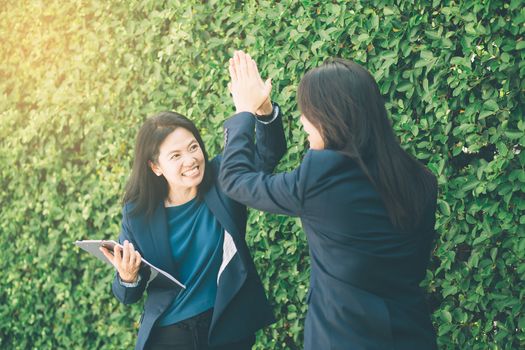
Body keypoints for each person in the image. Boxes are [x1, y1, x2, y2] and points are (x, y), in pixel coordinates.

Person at [219, 50, 438, 349]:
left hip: (344, 338)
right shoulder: (421, 178)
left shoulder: (320, 178)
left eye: (306, 111)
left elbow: (235, 180)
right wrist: (265, 111)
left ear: (330, 116)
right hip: (412, 335)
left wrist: (244, 110)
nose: (302, 121)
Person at [100, 105, 286, 349]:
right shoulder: (138, 214)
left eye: (193, 147)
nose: (190, 160)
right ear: (155, 166)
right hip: (169, 335)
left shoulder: (223, 177)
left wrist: (264, 112)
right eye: (175, 156)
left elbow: (266, 154)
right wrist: (127, 277)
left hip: (225, 326)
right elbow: (127, 296)